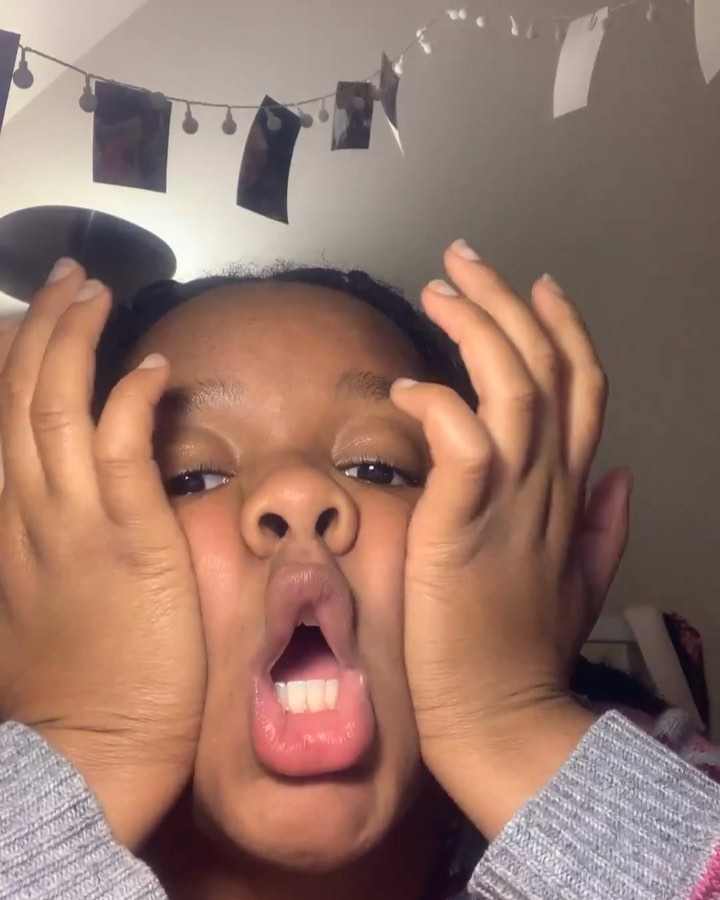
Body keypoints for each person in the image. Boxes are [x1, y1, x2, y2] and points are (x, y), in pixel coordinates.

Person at [2, 246, 720, 900]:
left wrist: (512, 720)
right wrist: (82, 751)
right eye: (191, 478)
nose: (296, 492)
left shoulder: (663, 784)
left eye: (377, 468)